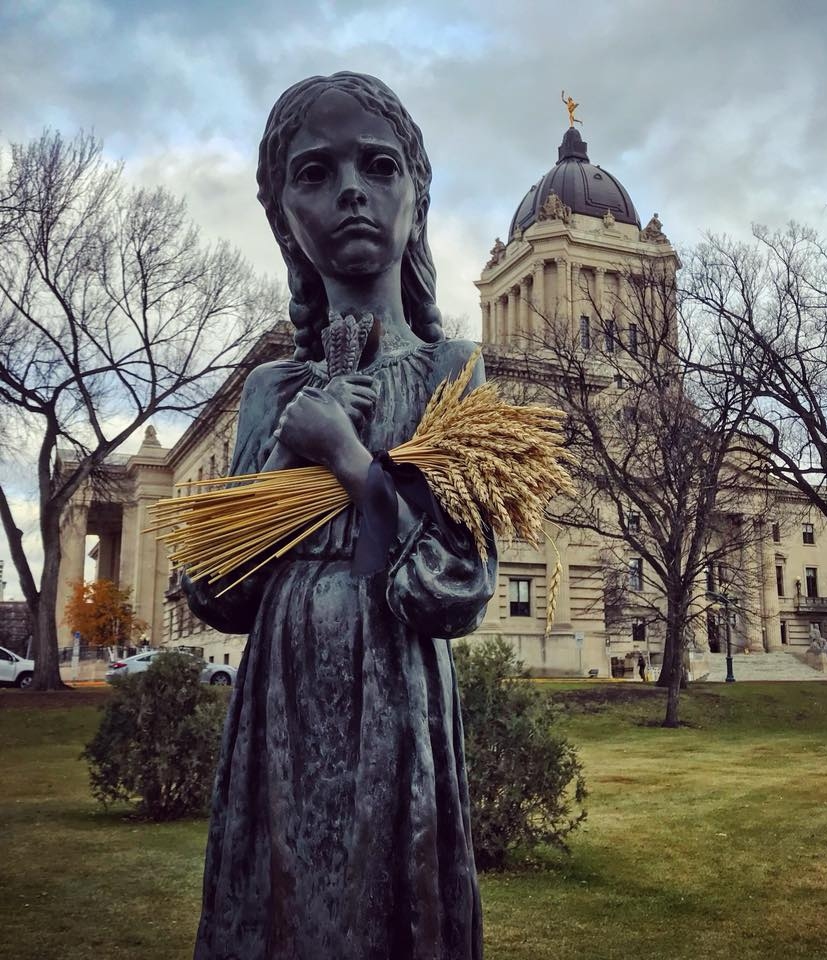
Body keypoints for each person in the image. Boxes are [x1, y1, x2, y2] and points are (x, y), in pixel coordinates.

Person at [184, 72, 497, 960]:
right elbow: (215, 591)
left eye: (380, 164)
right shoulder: (269, 391)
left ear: (416, 195)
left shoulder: (453, 374)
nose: (351, 189)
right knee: (280, 914)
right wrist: (290, 448)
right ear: (284, 218)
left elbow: (460, 586)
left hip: (397, 700)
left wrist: (353, 462)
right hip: (280, 699)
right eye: (315, 173)